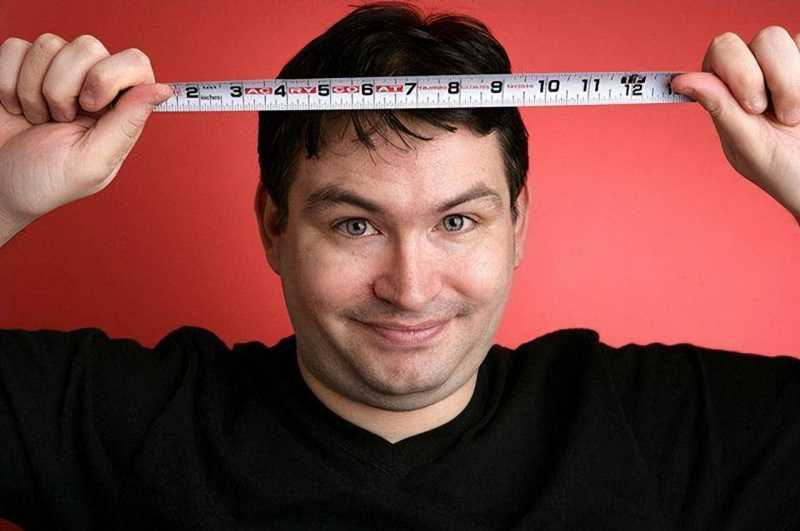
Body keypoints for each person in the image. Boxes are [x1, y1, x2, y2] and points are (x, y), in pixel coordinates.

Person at [1, 2, 799, 529]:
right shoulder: (129, 425)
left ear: (518, 224)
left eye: (456, 221)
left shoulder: (665, 431)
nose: (410, 288)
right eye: (355, 224)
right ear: (274, 226)